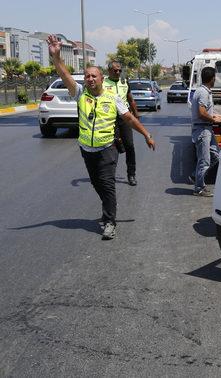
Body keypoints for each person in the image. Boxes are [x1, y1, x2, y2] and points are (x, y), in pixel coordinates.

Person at [47, 34, 155, 240]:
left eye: (93, 76)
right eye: (87, 76)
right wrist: (56, 56)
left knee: (107, 184)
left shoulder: (112, 98)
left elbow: (129, 118)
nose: (90, 79)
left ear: (101, 79)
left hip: (107, 148)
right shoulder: (80, 94)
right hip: (87, 149)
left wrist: (146, 134)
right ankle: (108, 208)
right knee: (97, 185)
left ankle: (109, 222)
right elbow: (64, 75)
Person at [103, 61, 140, 186]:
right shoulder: (103, 83)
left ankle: (131, 174)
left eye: (120, 70)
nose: (118, 72)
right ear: (109, 71)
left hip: (124, 118)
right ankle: (109, 174)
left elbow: (130, 98)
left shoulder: (124, 82)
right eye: (115, 70)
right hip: (109, 119)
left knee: (129, 146)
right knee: (112, 147)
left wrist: (136, 114)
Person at [191, 66, 221, 197]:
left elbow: (206, 111)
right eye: (215, 77)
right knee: (204, 161)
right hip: (202, 130)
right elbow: (201, 113)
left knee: (216, 156)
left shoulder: (204, 91)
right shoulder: (204, 93)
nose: (215, 79)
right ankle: (199, 188)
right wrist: (214, 120)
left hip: (206, 128)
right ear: (212, 78)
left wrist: (215, 116)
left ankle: (196, 176)